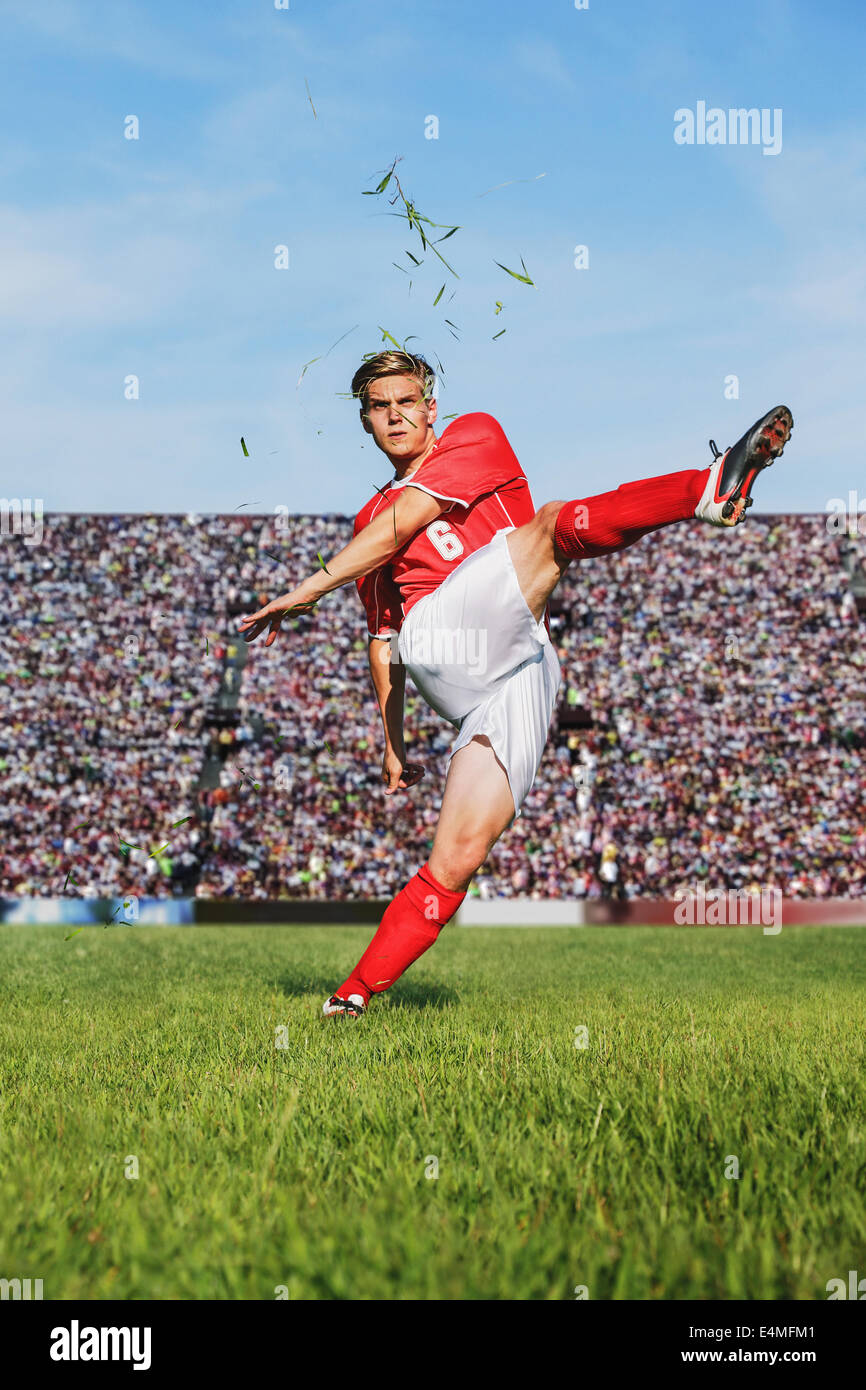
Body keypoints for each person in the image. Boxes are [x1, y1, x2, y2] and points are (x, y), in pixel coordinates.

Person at [239, 350, 793, 1017]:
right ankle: (705, 488)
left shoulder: (476, 435)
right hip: (442, 643)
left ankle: (351, 996)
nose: (395, 415)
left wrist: (307, 594)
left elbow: (407, 518)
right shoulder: (369, 526)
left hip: (521, 666)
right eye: (379, 406)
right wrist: (392, 740)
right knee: (553, 527)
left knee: (457, 859)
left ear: (430, 407)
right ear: (364, 421)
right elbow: (384, 640)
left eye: (407, 401)